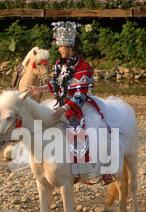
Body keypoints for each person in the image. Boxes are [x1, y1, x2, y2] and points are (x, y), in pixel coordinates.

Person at [29, 21, 113, 184]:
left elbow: (81, 94)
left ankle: (87, 170)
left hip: (78, 105)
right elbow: (57, 86)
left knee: (85, 127)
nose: (59, 49)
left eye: (61, 46)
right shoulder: (59, 64)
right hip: (60, 102)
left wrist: (65, 108)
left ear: (70, 47)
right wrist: (39, 90)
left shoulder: (84, 67)